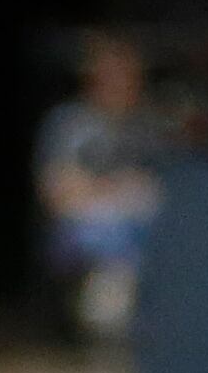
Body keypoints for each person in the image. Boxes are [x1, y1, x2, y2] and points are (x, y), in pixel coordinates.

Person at [37, 31, 166, 343]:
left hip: (143, 226)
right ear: (93, 78)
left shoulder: (149, 126)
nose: (120, 83)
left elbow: (166, 189)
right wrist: (111, 189)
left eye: (127, 75)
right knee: (113, 242)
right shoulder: (70, 124)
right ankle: (107, 329)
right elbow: (57, 193)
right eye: (110, 74)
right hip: (88, 227)